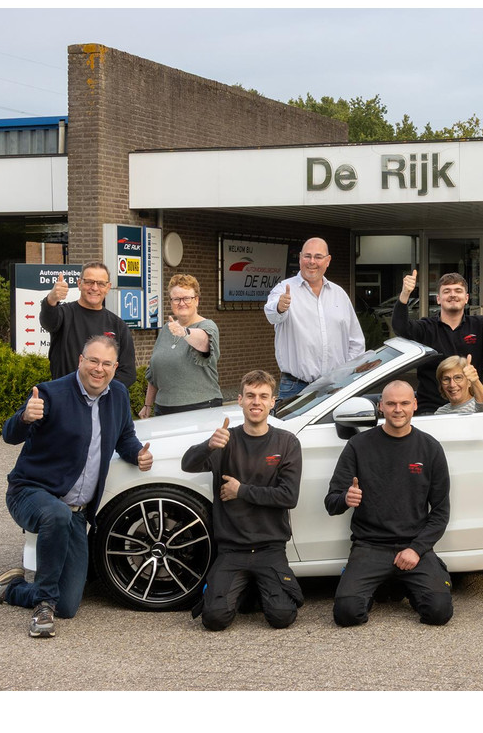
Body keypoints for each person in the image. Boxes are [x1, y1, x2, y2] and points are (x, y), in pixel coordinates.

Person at [0, 335, 152, 638]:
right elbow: (10, 435)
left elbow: (125, 437)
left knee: (67, 605)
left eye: (106, 363)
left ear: (115, 367)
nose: (99, 368)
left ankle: (11, 589)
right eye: (93, 361)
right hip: (30, 492)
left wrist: (137, 455)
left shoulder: (118, 394)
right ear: (81, 360)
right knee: (56, 514)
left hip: (76, 512)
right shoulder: (51, 393)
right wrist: (25, 418)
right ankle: (42, 607)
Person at [181, 370, 304, 630]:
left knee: (282, 616)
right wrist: (208, 445)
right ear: (240, 400)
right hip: (232, 549)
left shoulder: (286, 443)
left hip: (270, 549)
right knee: (214, 619)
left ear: (273, 402)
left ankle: (254, 589)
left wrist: (241, 491)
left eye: (263, 396)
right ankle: (246, 589)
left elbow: (288, 496)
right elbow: (187, 465)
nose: (256, 402)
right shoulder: (226, 440)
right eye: (250, 395)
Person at [324, 380, 452, 627]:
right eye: (391, 403)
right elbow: (331, 503)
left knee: (439, 612)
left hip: (413, 546)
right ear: (380, 406)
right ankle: (379, 587)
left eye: (404, 403)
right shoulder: (358, 445)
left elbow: (440, 512)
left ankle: (409, 583)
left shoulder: (430, 448)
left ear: (415, 405)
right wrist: (345, 499)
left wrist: (416, 549)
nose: (398, 409)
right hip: (370, 545)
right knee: (347, 614)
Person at [264, 238, 365, 399]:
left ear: (328, 260)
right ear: (300, 258)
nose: (312, 262)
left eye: (318, 257)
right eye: (307, 256)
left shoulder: (339, 294)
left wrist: (346, 374)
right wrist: (279, 307)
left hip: (336, 387)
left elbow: (356, 341)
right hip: (296, 387)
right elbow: (271, 314)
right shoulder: (284, 289)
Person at [393, 271, 483, 414]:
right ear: (438, 299)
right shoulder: (426, 327)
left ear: (466, 298)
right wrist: (405, 294)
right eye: (447, 291)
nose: (453, 295)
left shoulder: (481, 325)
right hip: (430, 411)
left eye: (458, 291)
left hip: (470, 410)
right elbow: (400, 328)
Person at [39, 261, 136, 388]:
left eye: (101, 283)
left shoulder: (118, 325)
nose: (94, 288)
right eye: (89, 282)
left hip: (103, 398)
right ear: (79, 284)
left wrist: (99, 391)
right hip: (64, 396)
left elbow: (127, 373)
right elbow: (48, 322)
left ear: (108, 287)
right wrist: (51, 299)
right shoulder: (64, 315)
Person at [140, 274, 222, 418]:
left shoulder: (208, 326)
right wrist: (148, 405)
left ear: (196, 300)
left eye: (187, 298)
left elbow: (203, 342)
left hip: (201, 408)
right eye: (176, 299)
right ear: (171, 302)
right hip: (163, 409)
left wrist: (185, 332)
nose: (181, 303)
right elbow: (154, 372)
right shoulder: (166, 329)